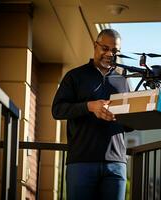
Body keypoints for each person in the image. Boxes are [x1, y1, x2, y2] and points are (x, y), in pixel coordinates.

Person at [52, 29, 132, 200]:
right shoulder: (75, 76)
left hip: (116, 164)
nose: (110, 54)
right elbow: (57, 110)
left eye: (115, 51)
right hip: (81, 163)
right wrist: (89, 106)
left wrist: (127, 115)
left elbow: (129, 126)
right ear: (95, 46)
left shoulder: (123, 81)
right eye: (105, 48)